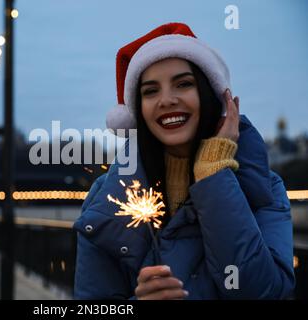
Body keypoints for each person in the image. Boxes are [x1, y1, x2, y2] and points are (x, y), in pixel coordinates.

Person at [73, 22, 295, 300]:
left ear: (212, 96)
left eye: (184, 84)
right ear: (138, 110)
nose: (166, 100)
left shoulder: (265, 189)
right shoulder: (105, 198)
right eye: (150, 91)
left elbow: (264, 292)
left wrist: (213, 173)